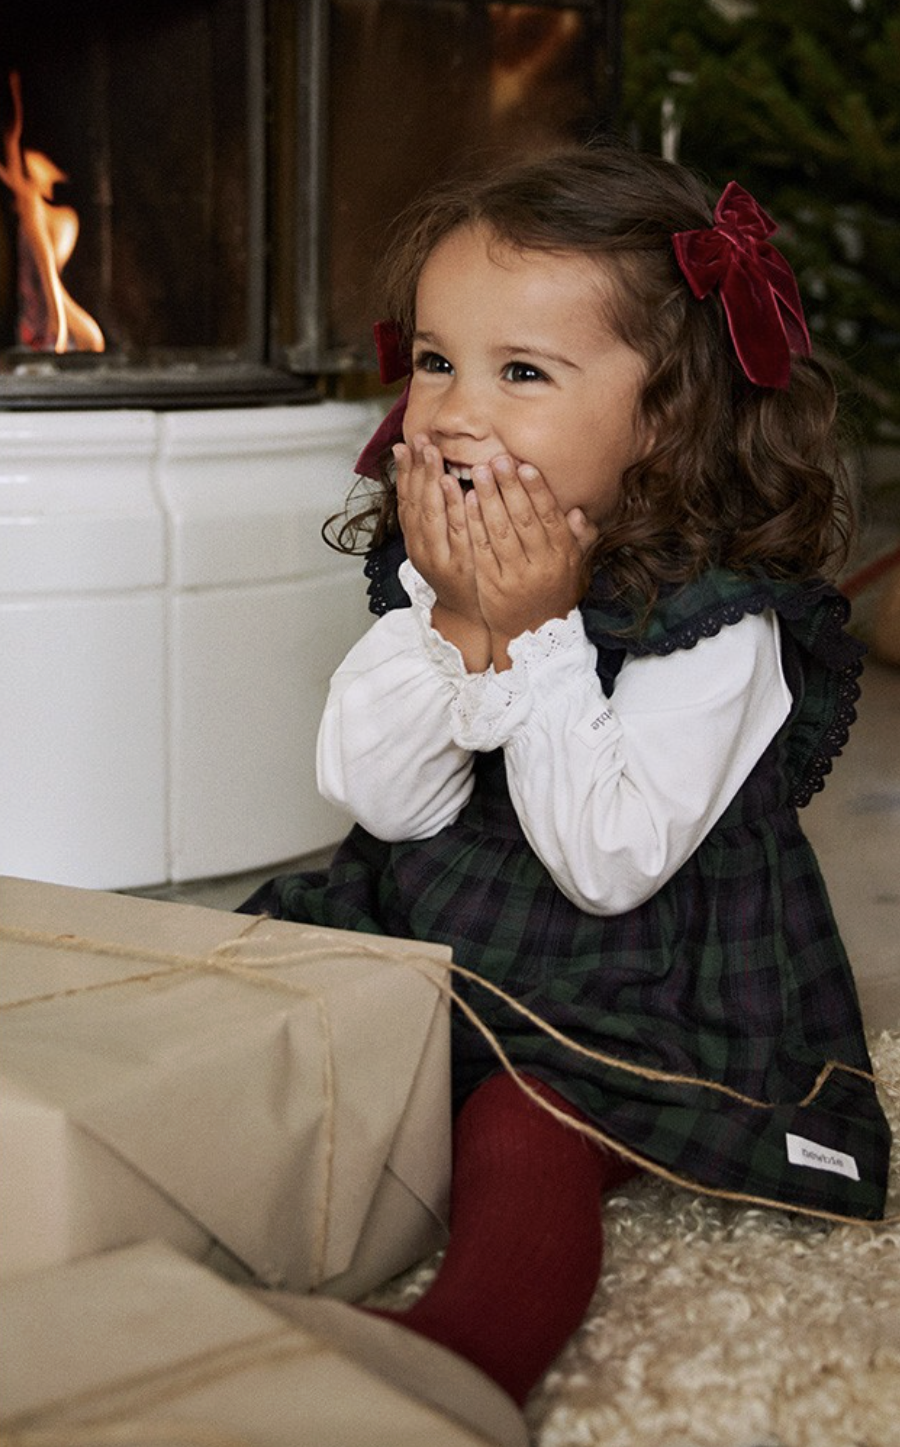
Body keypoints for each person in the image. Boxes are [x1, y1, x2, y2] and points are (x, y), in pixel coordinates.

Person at [241, 143, 891, 1410]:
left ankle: (465, 1350)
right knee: (299, 1031)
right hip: (446, 922)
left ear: (667, 419)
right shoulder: (444, 560)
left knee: (527, 1117)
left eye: (523, 373)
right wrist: (462, 620)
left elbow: (606, 863)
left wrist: (536, 632)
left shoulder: (722, 625)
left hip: (643, 977)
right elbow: (386, 800)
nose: (453, 411)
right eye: (436, 361)